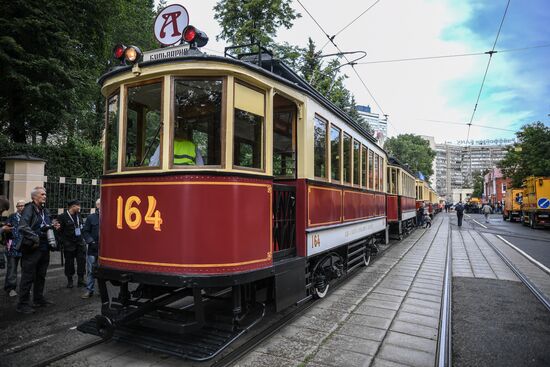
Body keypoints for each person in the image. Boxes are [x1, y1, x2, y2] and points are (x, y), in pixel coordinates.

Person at [17, 187, 60, 314]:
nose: (45, 196)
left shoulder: (44, 210)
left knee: (41, 275)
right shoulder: (29, 209)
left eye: (45, 194)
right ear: (34, 197)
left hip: (44, 247)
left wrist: (53, 225)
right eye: (42, 194)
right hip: (32, 248)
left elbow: (45, 224)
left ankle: (38, 299)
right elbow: (22, 227)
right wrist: (36, 236)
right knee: (28, 276)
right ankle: (22, 304)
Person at [57, 200, 86, 288]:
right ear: (73, 206)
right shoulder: (62, 217)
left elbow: (81, 227)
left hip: (79, 244)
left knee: (81, 262)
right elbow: (58, 231)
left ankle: (81, 280)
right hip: (69, 245)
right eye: (78, 206)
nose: (79, 208)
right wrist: (63, 242)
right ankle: (70, 281)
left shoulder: (79, 215)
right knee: (69, 263)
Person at [4, 200, 25, 297]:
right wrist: (7, 229)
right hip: (12, 246)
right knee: (12, 268)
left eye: (23, 206)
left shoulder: (27, 217)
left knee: (26, 269)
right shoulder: (12, 216)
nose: (21, 207)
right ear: (17, 207)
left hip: (25, 247)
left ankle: (25, 288)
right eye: (19, 206)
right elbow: (6, 228)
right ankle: (11, 288)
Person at [81, 199, 100, 299]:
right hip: (93, 248)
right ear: (97, 206)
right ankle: (89, 290)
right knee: (91, 270)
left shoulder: (110, 216)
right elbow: (85, 231)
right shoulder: (91, 218)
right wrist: (91, 241)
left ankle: (102, 290)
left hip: (105, 250)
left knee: (103, 271)